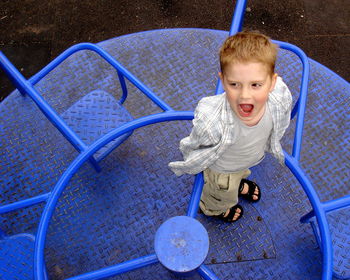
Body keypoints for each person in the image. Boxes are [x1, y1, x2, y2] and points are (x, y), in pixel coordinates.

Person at [168, 31, 292, 222]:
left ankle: (239, 184)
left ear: (272, 82)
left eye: (256, 85)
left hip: (248, 159)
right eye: (234, 84)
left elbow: (281, 116)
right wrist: (190, 160)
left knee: (241, 173)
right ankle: (214, 209)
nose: (245, 95)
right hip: (222, 172)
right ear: (223, 80)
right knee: (220, 194)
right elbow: (194, 143)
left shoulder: (279, 96)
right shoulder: (214, 121)